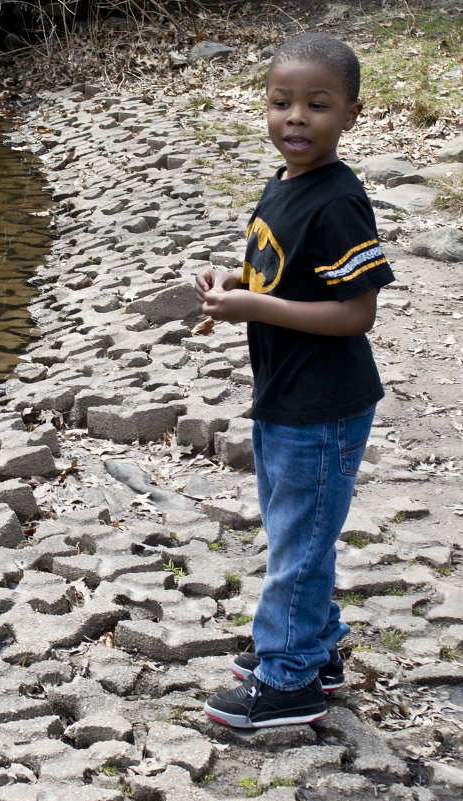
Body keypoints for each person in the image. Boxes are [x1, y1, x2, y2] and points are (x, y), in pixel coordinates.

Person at [193, 32, 396, 728]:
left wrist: (253, 307)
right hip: (284, 395)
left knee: (299, 540)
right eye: (281, 102)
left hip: (323, 404)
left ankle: (287, 682)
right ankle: (313, 647)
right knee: (296, 532)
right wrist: (234, 282)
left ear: (350, 115)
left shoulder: (337, 201)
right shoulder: (282, 183)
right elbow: (277, 269)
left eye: (316, 105)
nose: (295, 118)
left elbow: (355, 311)